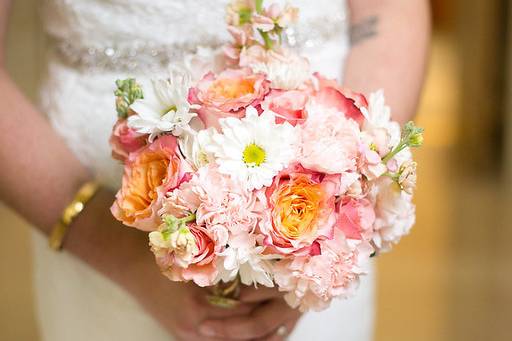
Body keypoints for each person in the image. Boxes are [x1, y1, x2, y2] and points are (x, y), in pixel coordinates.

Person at [0, 0, 430, 340]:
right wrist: (112, 248)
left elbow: (389, 10)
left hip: (322, 182)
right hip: (93, 205)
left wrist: (334, 208)